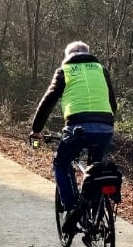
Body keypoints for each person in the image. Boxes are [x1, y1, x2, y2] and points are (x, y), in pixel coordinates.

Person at [29, 41, 118, 236]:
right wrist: (107, 124)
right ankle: (95, 214)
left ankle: (71, 209)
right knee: (96, 171)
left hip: (77, 127)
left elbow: (48, 101)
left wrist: (36, 130)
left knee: (61, 164)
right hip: (105, 126)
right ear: (88, 54)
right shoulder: (100, 70)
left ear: (68, 56)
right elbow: (112, 102)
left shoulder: (64, 71)